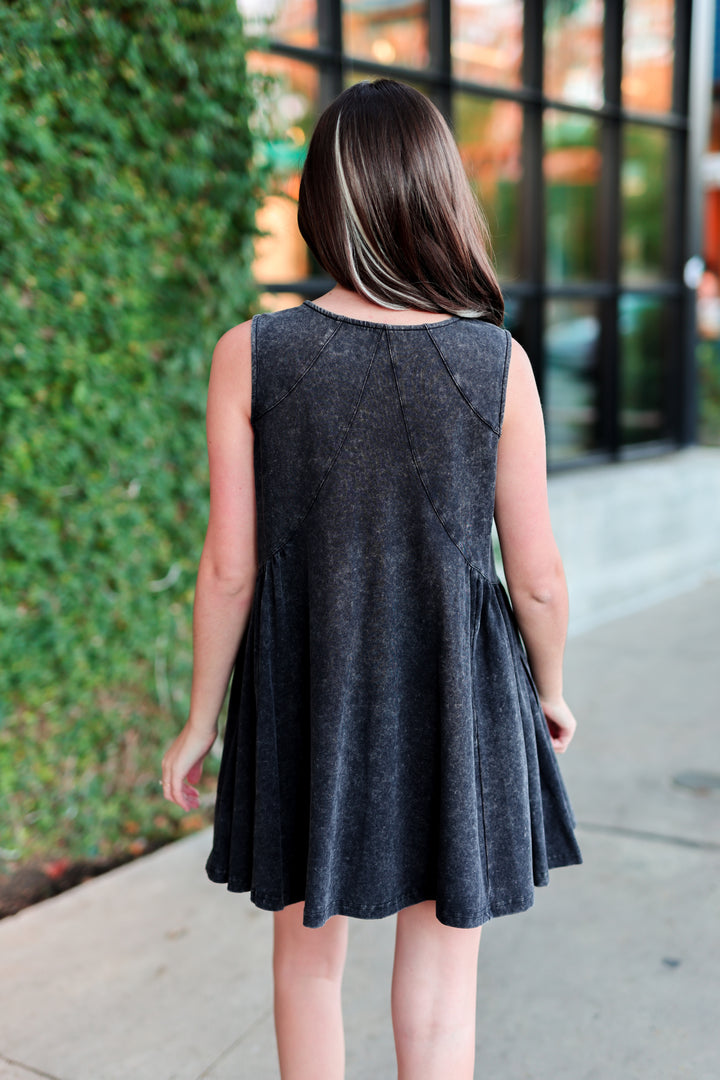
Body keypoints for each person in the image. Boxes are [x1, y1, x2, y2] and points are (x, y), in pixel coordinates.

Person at [161, 78, 582, 1080]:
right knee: (441, 991)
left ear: (319, 203)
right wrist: (551, 689)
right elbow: (540, 579)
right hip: (458, 691)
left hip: (309, 684)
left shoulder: (251, 354)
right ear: (440, 198)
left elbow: (228, 568)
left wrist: (200, 719)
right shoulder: (496, 362)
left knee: (307, 964)